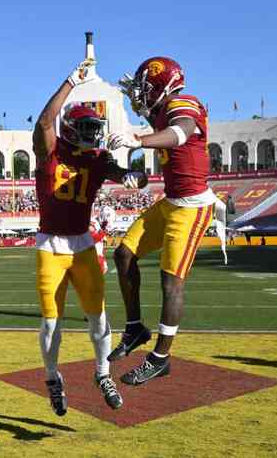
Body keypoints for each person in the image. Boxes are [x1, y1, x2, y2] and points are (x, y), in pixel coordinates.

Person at [32, 58, 147, 415]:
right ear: (69, 127)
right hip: (51, 245)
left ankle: (102, 373)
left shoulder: (97, 158)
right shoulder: (51, 151)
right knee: (51, 322)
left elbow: (128, 174)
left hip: (82, 243)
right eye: (86, 127)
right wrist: (70, 81)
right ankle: (53, 378)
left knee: (98, 317)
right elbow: (44, 122)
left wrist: (133, 176)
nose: (92, 134)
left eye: (94, 128)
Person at [106, 57, 224, 386]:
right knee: (123, 254)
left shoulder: (185, 103)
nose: (141, 95)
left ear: (161, 87)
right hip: (169, 202)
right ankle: (135, 329)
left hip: (192, 207)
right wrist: (139, 110)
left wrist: (138, 139)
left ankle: (160, 357)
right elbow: (155, 117)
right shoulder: (162, 109)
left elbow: (180, 132)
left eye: (145, 89)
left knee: (171, 282)